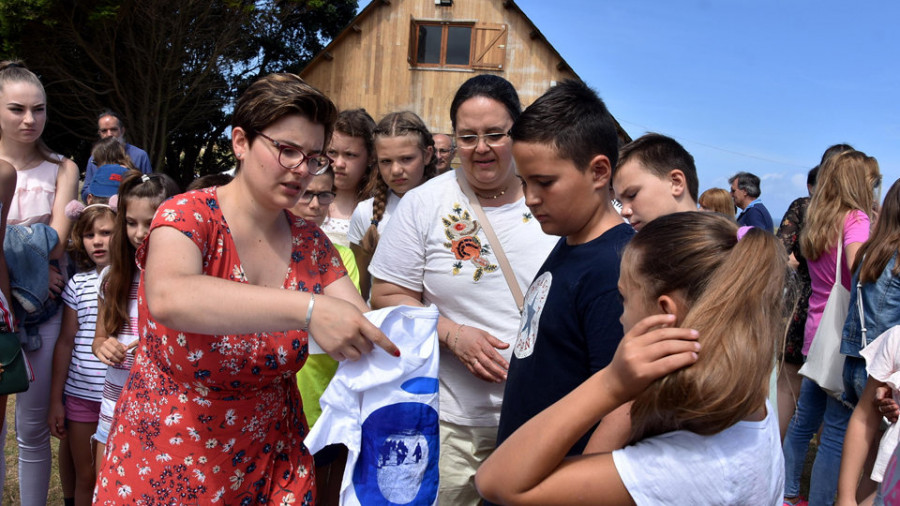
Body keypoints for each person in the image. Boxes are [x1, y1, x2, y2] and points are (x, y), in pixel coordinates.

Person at [92, 73, 398, 504]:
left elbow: (362, 328)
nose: (302, 171)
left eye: (313, 158)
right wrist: (308, 309)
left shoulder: (312, 244)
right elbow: (170, 297)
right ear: (240, 142)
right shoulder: (189, 216)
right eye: (288, 151)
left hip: (272, 458)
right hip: (169, 454)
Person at [476, 212, 787, 505]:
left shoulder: (677, 467)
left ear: (666, 311)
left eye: (623, 298)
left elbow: (497, 481)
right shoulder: (754, 410)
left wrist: (610, 384)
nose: (621, 316)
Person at [369, 74, 557, 504]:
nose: (482, 147)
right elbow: (386, 294)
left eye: (495, 134)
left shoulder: (553, 195)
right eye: (468, 136)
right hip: (453, 422)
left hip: (541, 416)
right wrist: (453, 335)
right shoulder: (424, 203)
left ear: (519, 131)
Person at [496, 80, 635, 456]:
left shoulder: (617, 270)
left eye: (544, 182)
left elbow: (621, 404)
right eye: (524, 182)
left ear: (599, 172)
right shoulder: (572, 241)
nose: (529, 198)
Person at [0, 60, 79, 506]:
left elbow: (57, 244)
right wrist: (30, 254)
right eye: (16, 109)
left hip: (45, 312)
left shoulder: (61, 168)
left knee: (31, 429)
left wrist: (18, 249)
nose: (29, 119)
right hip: (1, 307)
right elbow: (42, 242)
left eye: (39, 109)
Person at [782, 150, 880, 506]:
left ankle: (788, 491)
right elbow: (860, 271)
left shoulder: (818, 218)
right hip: (842, 337)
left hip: (816, 332)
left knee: (803, 420)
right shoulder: (854, 218)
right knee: (837, 432)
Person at [91, 172, 179, 472]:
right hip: (115, 402)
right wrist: (104, 347)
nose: (140, 233)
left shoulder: (185, 282)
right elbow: (99, 337)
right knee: (108, 482)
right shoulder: (112, 279)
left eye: (150, 222)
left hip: (165, 408)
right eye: (131, 223)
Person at [290, 167, 361, 501]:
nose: (315, 204)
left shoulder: (341, 255)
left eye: (324, 195)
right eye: (306, 193)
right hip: (278, 403)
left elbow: (350, 322)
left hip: (324, 404)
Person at [836, 178, 900, 506]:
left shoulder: (870, 252)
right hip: (884, 368)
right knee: (881, 469)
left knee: (872, 464)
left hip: (857, 361)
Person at [47, 203, 116, 506]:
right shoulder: (77, 283)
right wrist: (55, 400)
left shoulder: (138, 283)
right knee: (86, 476)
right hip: (80, 397)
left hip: (121, 398)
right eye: (89, 234)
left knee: (112, 475)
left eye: (106, 232)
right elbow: (65, 342)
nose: (97, 241)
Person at [349, 111, 437, 297]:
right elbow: (361, 287)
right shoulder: (365, 213)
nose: (396, 170)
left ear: (427, 155)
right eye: (386, 161)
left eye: (406, 159)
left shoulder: (448, 207)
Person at [775, 165, 819, 438]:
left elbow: (779, 251)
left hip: (801, 304)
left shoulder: (805, 207)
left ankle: (777, 460)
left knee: (787, 387)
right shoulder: (859, 214)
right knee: (830, 399)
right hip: (839, 312)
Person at [612, 133, 699, 231]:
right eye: (621, 203)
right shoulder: (639, 244)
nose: (623, 212)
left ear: (676, 182)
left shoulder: (716, 243)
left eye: (632, 195)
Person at [322, 108, 376, 247]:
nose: (339, 163)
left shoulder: (376, 208)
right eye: (332, 152)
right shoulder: (306, 199)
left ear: (371, 157)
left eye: (350, 155)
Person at [81, 110, 152, 202]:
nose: (109, 134)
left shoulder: (139, 155)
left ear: (122, 130)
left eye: (113, 129)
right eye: (104, 131)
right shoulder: (94, 159)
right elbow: (85, 191)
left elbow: (150, 187)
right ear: (100, 133)